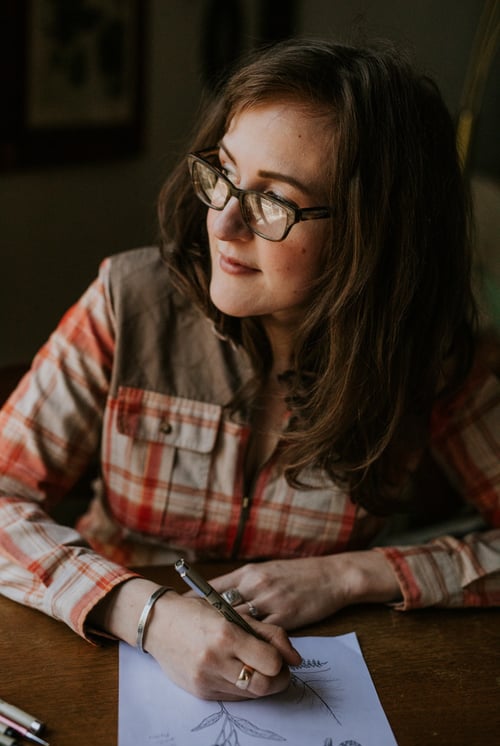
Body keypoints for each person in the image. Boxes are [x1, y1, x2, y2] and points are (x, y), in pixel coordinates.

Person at [0, 37, 499, 702]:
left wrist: (353, 576)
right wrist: (146, 614)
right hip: (98, 664)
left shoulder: (419, 353)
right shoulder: (130, 302)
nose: (223, 219)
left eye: (274, 201)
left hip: (309, 681)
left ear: (372, 233)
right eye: (224, 174)